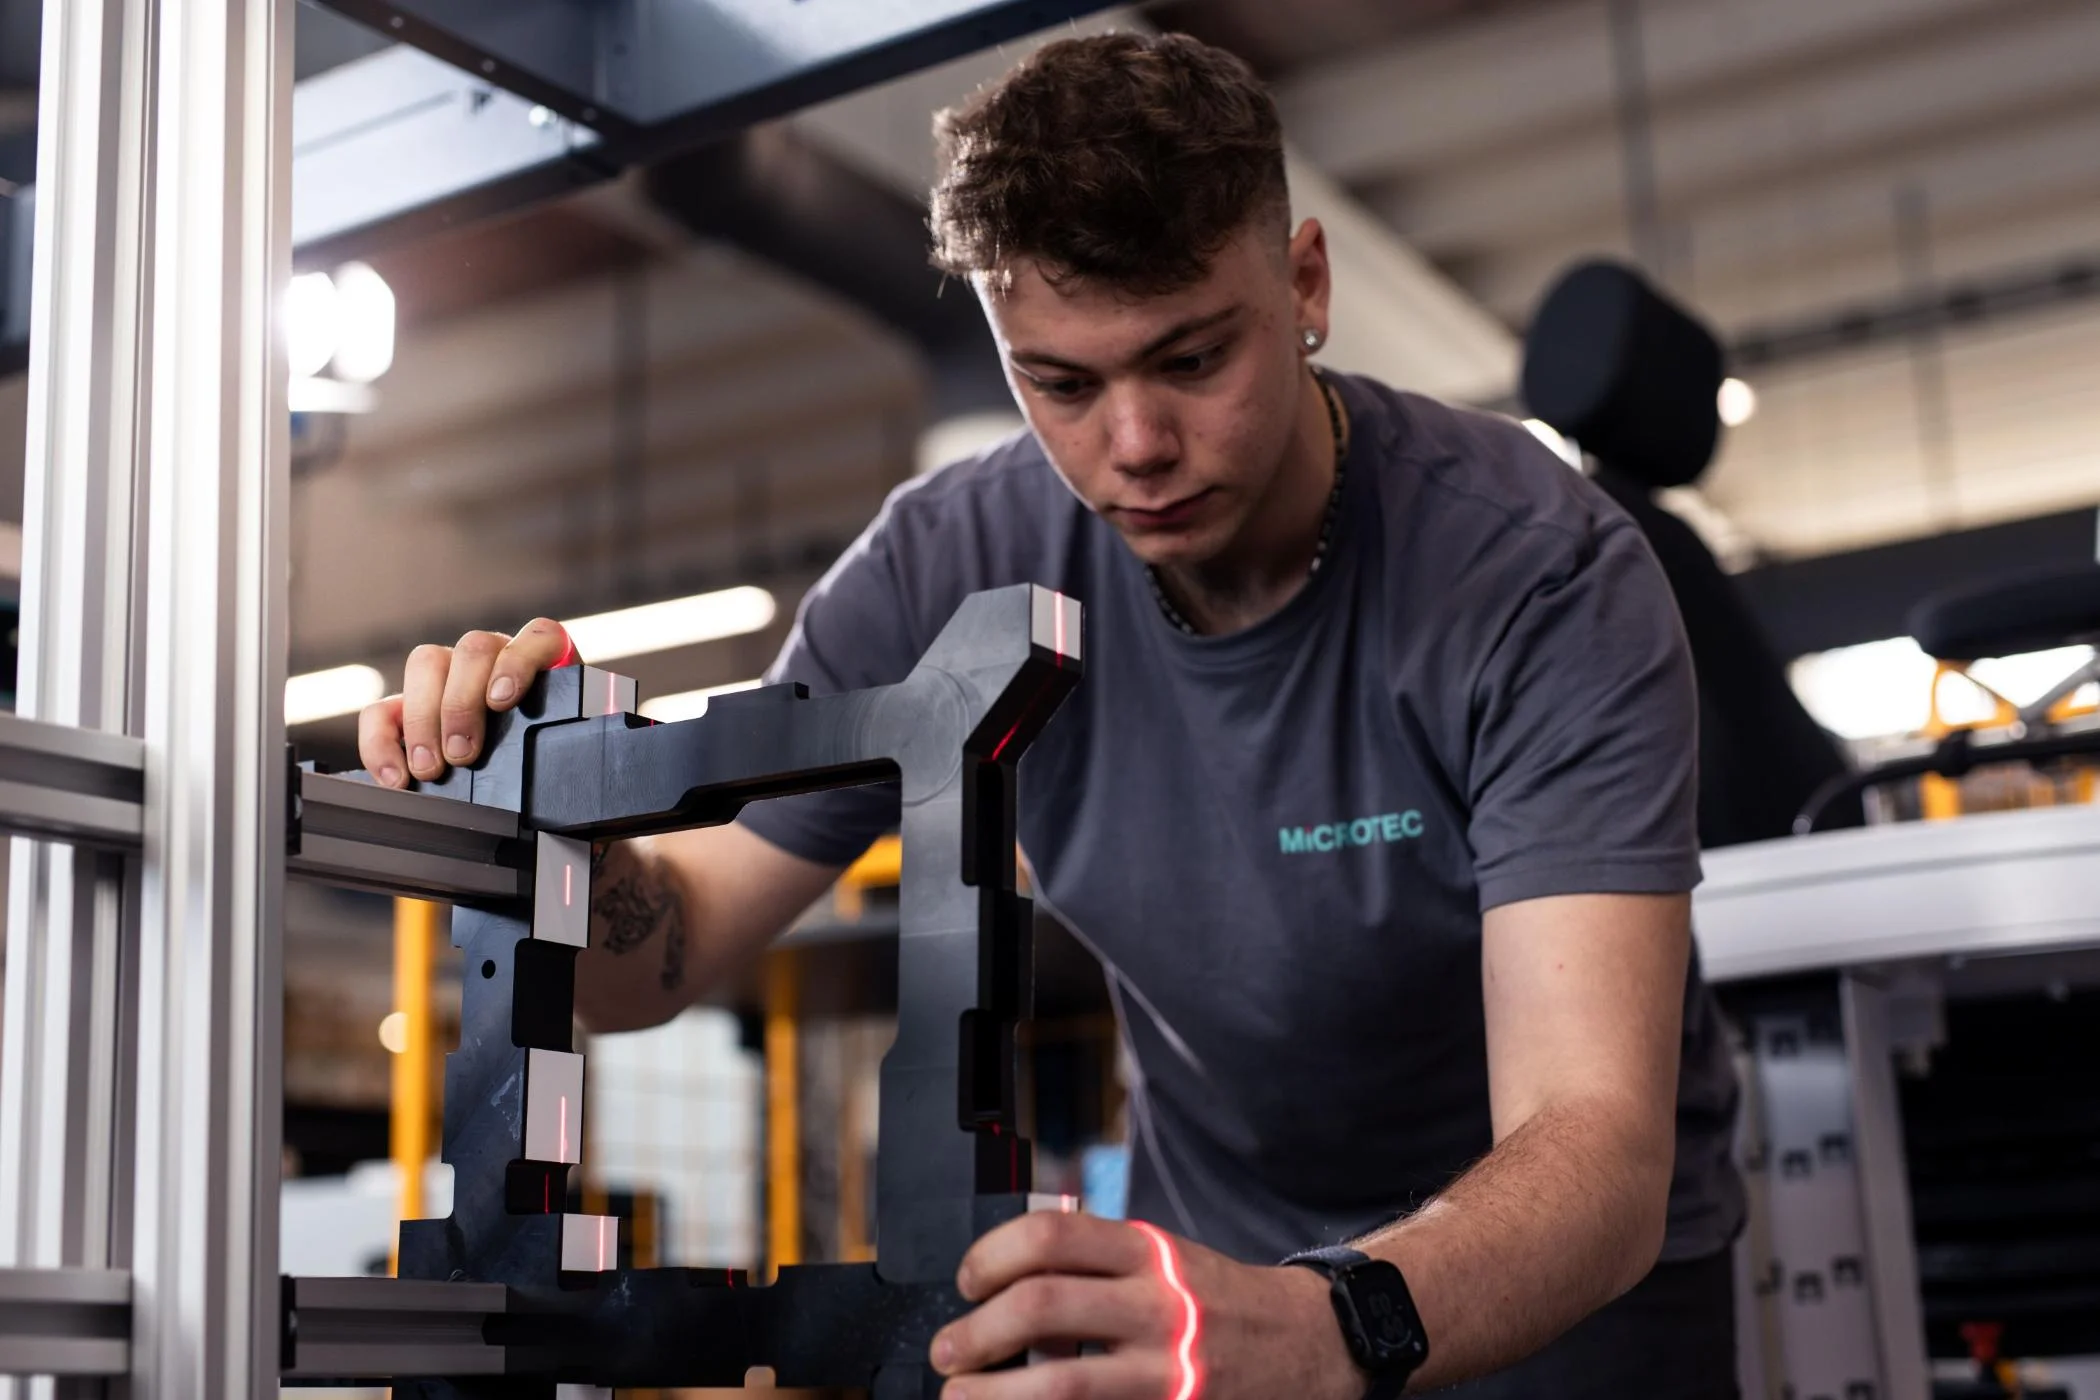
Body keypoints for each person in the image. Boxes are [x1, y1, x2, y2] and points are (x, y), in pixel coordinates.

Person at [360, 32, 1742, 1400]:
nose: (1134, 445)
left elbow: (1597, 1145)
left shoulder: (1535, 571)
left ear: (1306, 283)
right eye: (1062, 385)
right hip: (1203, 1308)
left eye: (1194, 360)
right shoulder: (949, 566)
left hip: (1559, 1314)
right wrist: (543, 834)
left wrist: (1331, 1324)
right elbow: (647, 968)